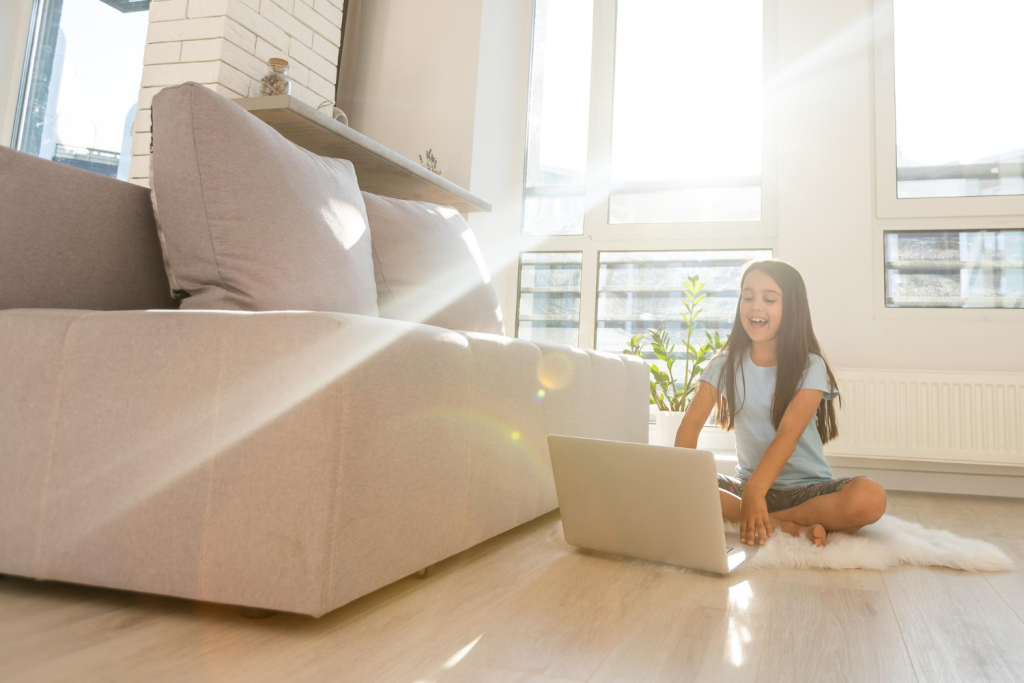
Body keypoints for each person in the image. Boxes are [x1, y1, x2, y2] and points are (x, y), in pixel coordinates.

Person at [676, 259, 887, 547]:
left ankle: (762, 517)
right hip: (745, 486)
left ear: (792, 309)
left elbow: (788, 434)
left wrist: (754, 495)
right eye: (748, 297)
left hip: (806, 491)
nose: (755, 306)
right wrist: (682, 476)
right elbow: (690, 424)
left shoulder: (810, 366)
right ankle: (783, 526)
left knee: (871, 497)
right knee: (672, 481)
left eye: (769, 299)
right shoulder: (722, 365)